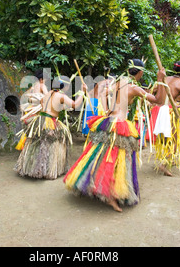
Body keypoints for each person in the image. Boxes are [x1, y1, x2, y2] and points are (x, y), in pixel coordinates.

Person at [64, 59, 167, 212]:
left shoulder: (117, 84)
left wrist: (107, 111)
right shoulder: (134, 88)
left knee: (100, 155)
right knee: (115, 159)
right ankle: (110, 195)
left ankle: (92, 185)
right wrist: (160, 80)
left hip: (107, 121)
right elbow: (159, 101)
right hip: (119, 124)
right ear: (139, 73)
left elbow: (102, 93)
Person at [14, 76, 87, 179]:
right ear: (64, 86)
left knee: (38, 144)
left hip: (40, 120)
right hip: (49, 122)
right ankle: (48, 170)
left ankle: (31, 168)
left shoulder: (48, 93)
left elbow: (44, 103)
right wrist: (82, 93)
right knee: (53, 143)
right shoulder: (60, 95)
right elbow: (75, 104)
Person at [151, 61, 180, 176]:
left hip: (159, 110)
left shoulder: (166, 79)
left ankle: (166, 159)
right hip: (170, 112)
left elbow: (155, 92)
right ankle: (164, 163)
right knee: (175, 140)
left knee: (165, 138)